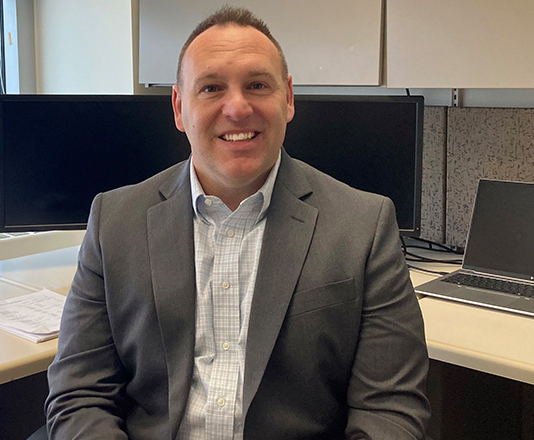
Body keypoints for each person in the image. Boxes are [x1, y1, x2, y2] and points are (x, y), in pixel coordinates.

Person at [45, 5, 430, 439]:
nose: (237, 107)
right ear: (179, 107)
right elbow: (79, 396)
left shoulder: (364, 226)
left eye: (257, 85)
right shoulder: (114, 222)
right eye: (211, 88)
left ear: (288, 98)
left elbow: (389, 409)